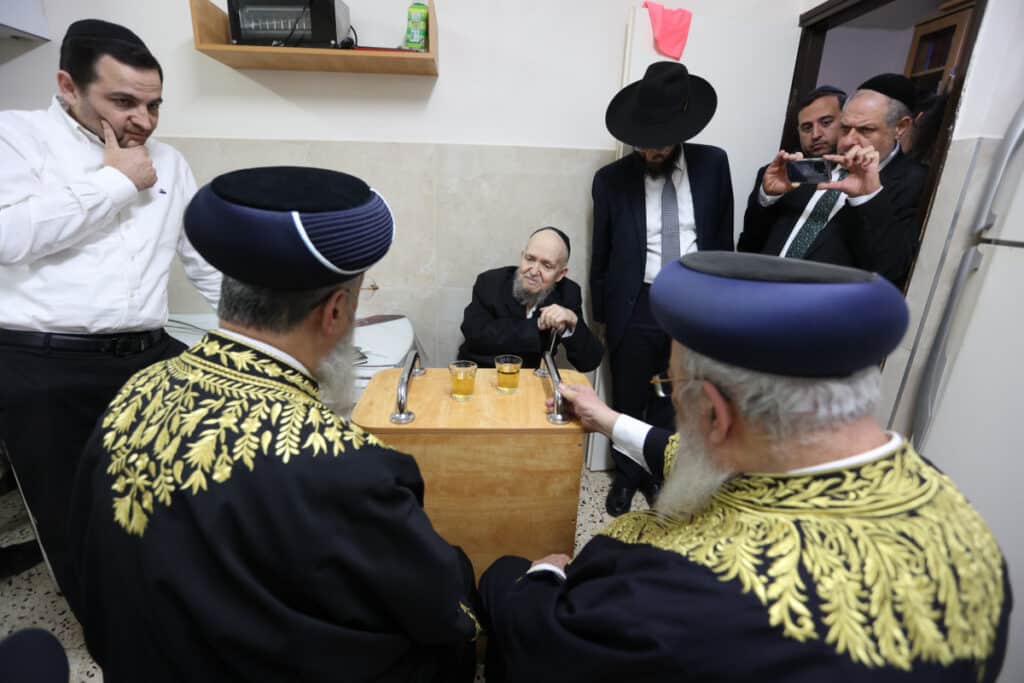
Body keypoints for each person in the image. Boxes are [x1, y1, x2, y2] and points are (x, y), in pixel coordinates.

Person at [481, 251, 1012, 682]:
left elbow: (549, 648)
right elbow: (723, 465)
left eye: (670, 387)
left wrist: (540, 575)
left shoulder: (673, 599)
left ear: (715, 412)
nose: (672, 400)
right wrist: (610, 420)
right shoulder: (959, 522)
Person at [65, 167, 481, 683]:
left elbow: (88, 564)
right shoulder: (343, 463)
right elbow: (440, 606)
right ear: (335, 310)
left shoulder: (136, 390)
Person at [0, 19, 220, 585]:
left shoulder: (170, 162)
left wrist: (276, 326)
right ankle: (105, 627)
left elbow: (203, 261)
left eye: (154, 105)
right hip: (45, 366)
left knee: (178, 493)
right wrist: (117, 182)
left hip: (148, 357)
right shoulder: (15, 137)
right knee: (76, 515)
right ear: (68, 86)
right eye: (123, 102)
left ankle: (180, 602)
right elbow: (8, 237)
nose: (143, 120)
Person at [590, 61, 734, 517]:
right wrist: (601, 313)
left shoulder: (713, 165)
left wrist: (721, 307)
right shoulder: (611, 180)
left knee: (678, 397)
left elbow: (723, 240)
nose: (651, 150)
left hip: (693, 304)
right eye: (643, 142)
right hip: (634, 304)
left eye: (660, 142)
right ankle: (625, 475)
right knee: (629, 394)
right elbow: (601, 250)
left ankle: (657, 472)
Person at [738, 73, 928, 290]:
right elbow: (751, 243)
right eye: (845, 128)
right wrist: (768, 196)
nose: (849, 141)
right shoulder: (810, 167)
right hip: (761, 293)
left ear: (900, 127)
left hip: (825, 306)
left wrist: (866, 197)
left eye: (866, 130)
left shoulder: (915, 181)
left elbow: (890, 270)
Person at [458, 226, 603, 372]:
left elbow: (589, 362)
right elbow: (476, 335)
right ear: (522, 256)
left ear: (560, 274)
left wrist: (572, 323)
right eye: (530, 259)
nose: (533, 271)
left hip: (534, 378)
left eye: (547, 265)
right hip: (482, 373)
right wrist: (536, 325)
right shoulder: (490, 282)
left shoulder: (568, 293)